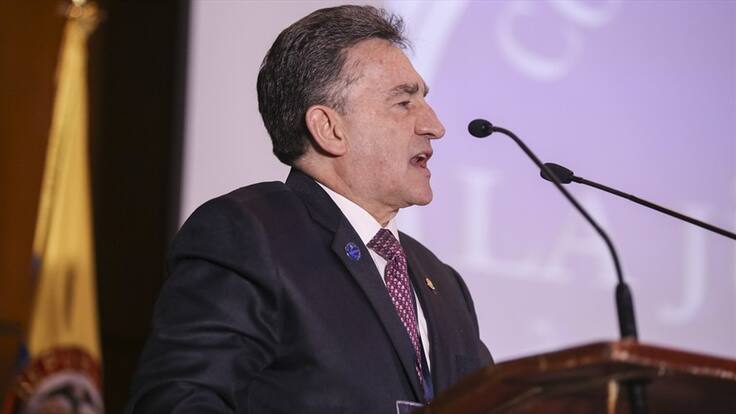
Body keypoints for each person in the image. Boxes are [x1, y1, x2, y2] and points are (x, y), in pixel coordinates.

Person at [125, 5, 491, 413]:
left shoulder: (443, 283)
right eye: (404, 102)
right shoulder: (250, 235)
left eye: (424, 100)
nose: (435, 126)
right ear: (329, 129)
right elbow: (177, 401)